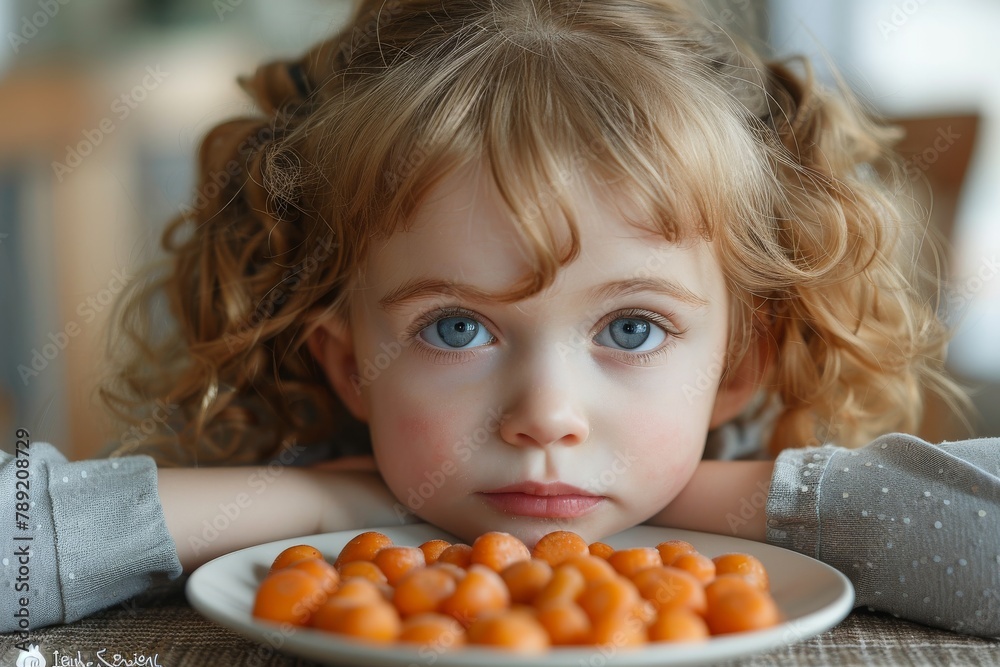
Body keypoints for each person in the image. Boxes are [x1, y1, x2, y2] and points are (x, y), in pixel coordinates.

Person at [2, 0, 998, 642]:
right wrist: (316, 506)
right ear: (349, 368)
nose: (545, 417)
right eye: (455, 328)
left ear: (742, 362)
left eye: (632, 329)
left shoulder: (748, 559)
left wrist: (705, 497)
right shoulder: (331, 569)